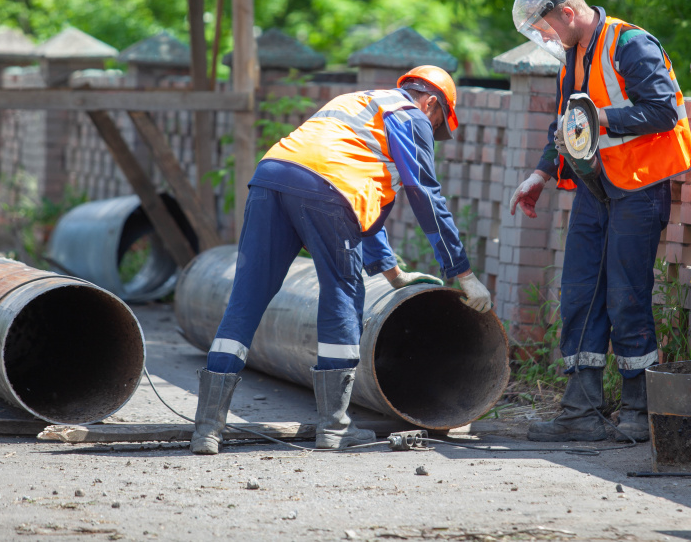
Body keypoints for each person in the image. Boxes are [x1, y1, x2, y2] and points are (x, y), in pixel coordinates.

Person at [191, 65, 493, 455]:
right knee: (341, 295)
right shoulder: (410, 114)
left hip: (271, 176)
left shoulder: (358, 104)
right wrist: (463, 273)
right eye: (437, 124)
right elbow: (424, 193)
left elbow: (364, 205)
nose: (431, 132)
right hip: (328, 190)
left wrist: (394, 274)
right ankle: (333, 427)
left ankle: (207, 430)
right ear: (432, 102)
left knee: (246, 299)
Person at [508, 0, 691, 442]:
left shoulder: (631, 43)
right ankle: (581, 412)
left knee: (626, 297)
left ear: (568, 14)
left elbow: (664, 111)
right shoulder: (574, 53)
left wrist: (602, 116)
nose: (546, 38)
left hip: (640, 186)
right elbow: (569, 121)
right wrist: (542, 173)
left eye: (547, 27)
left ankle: (638, 411)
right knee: (579, 293)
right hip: (597, 187)